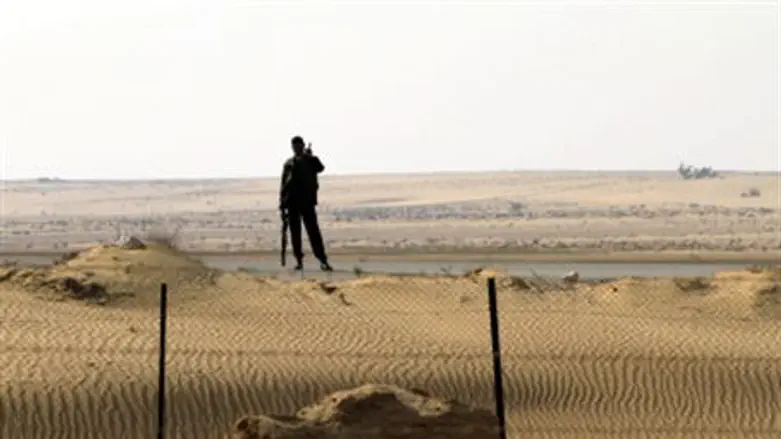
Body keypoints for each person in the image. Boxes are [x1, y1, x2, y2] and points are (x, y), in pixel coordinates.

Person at [279, 135, 332, 271]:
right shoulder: (289, 163)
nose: (297, 148)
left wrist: (310, 157)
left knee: (313, 232)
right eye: (294, 146)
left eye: (299, 145)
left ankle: (322, 260)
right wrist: (282, 203)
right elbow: (283, 184)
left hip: (307, 202)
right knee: (295, 234)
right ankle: (299, 261)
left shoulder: (310, 160)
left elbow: (321, 168)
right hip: (292, 203)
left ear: (303, 146)